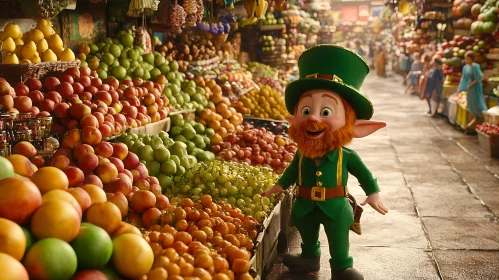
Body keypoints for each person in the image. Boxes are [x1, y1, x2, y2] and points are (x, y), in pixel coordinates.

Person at [262, 45, 387, 280]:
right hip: (306, 206)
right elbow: (291, 172)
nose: (313, 118)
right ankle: (310, 258)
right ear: (295, 118)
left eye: (327, 111)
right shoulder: (302, 153)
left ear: (354, 127)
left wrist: (373, 192)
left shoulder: (346, 156)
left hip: (336, 208)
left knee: (339, 238)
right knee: (308, 233)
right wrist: (278, 186)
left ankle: (341, 266)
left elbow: (364, 174)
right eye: (306, 109)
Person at [459, 51, 488, 128]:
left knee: (478, 102)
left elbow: (478, 78)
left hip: (475, 87)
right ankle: (476, 118)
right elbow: (464, 78)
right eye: (466, 59)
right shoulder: (465, 68)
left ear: (472, 59)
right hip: (469, 88)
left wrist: (471, 85)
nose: (467, 60)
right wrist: (461, 88)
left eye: (468, 59)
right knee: (471, 103)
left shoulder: (475, 66)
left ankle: (484, 118)